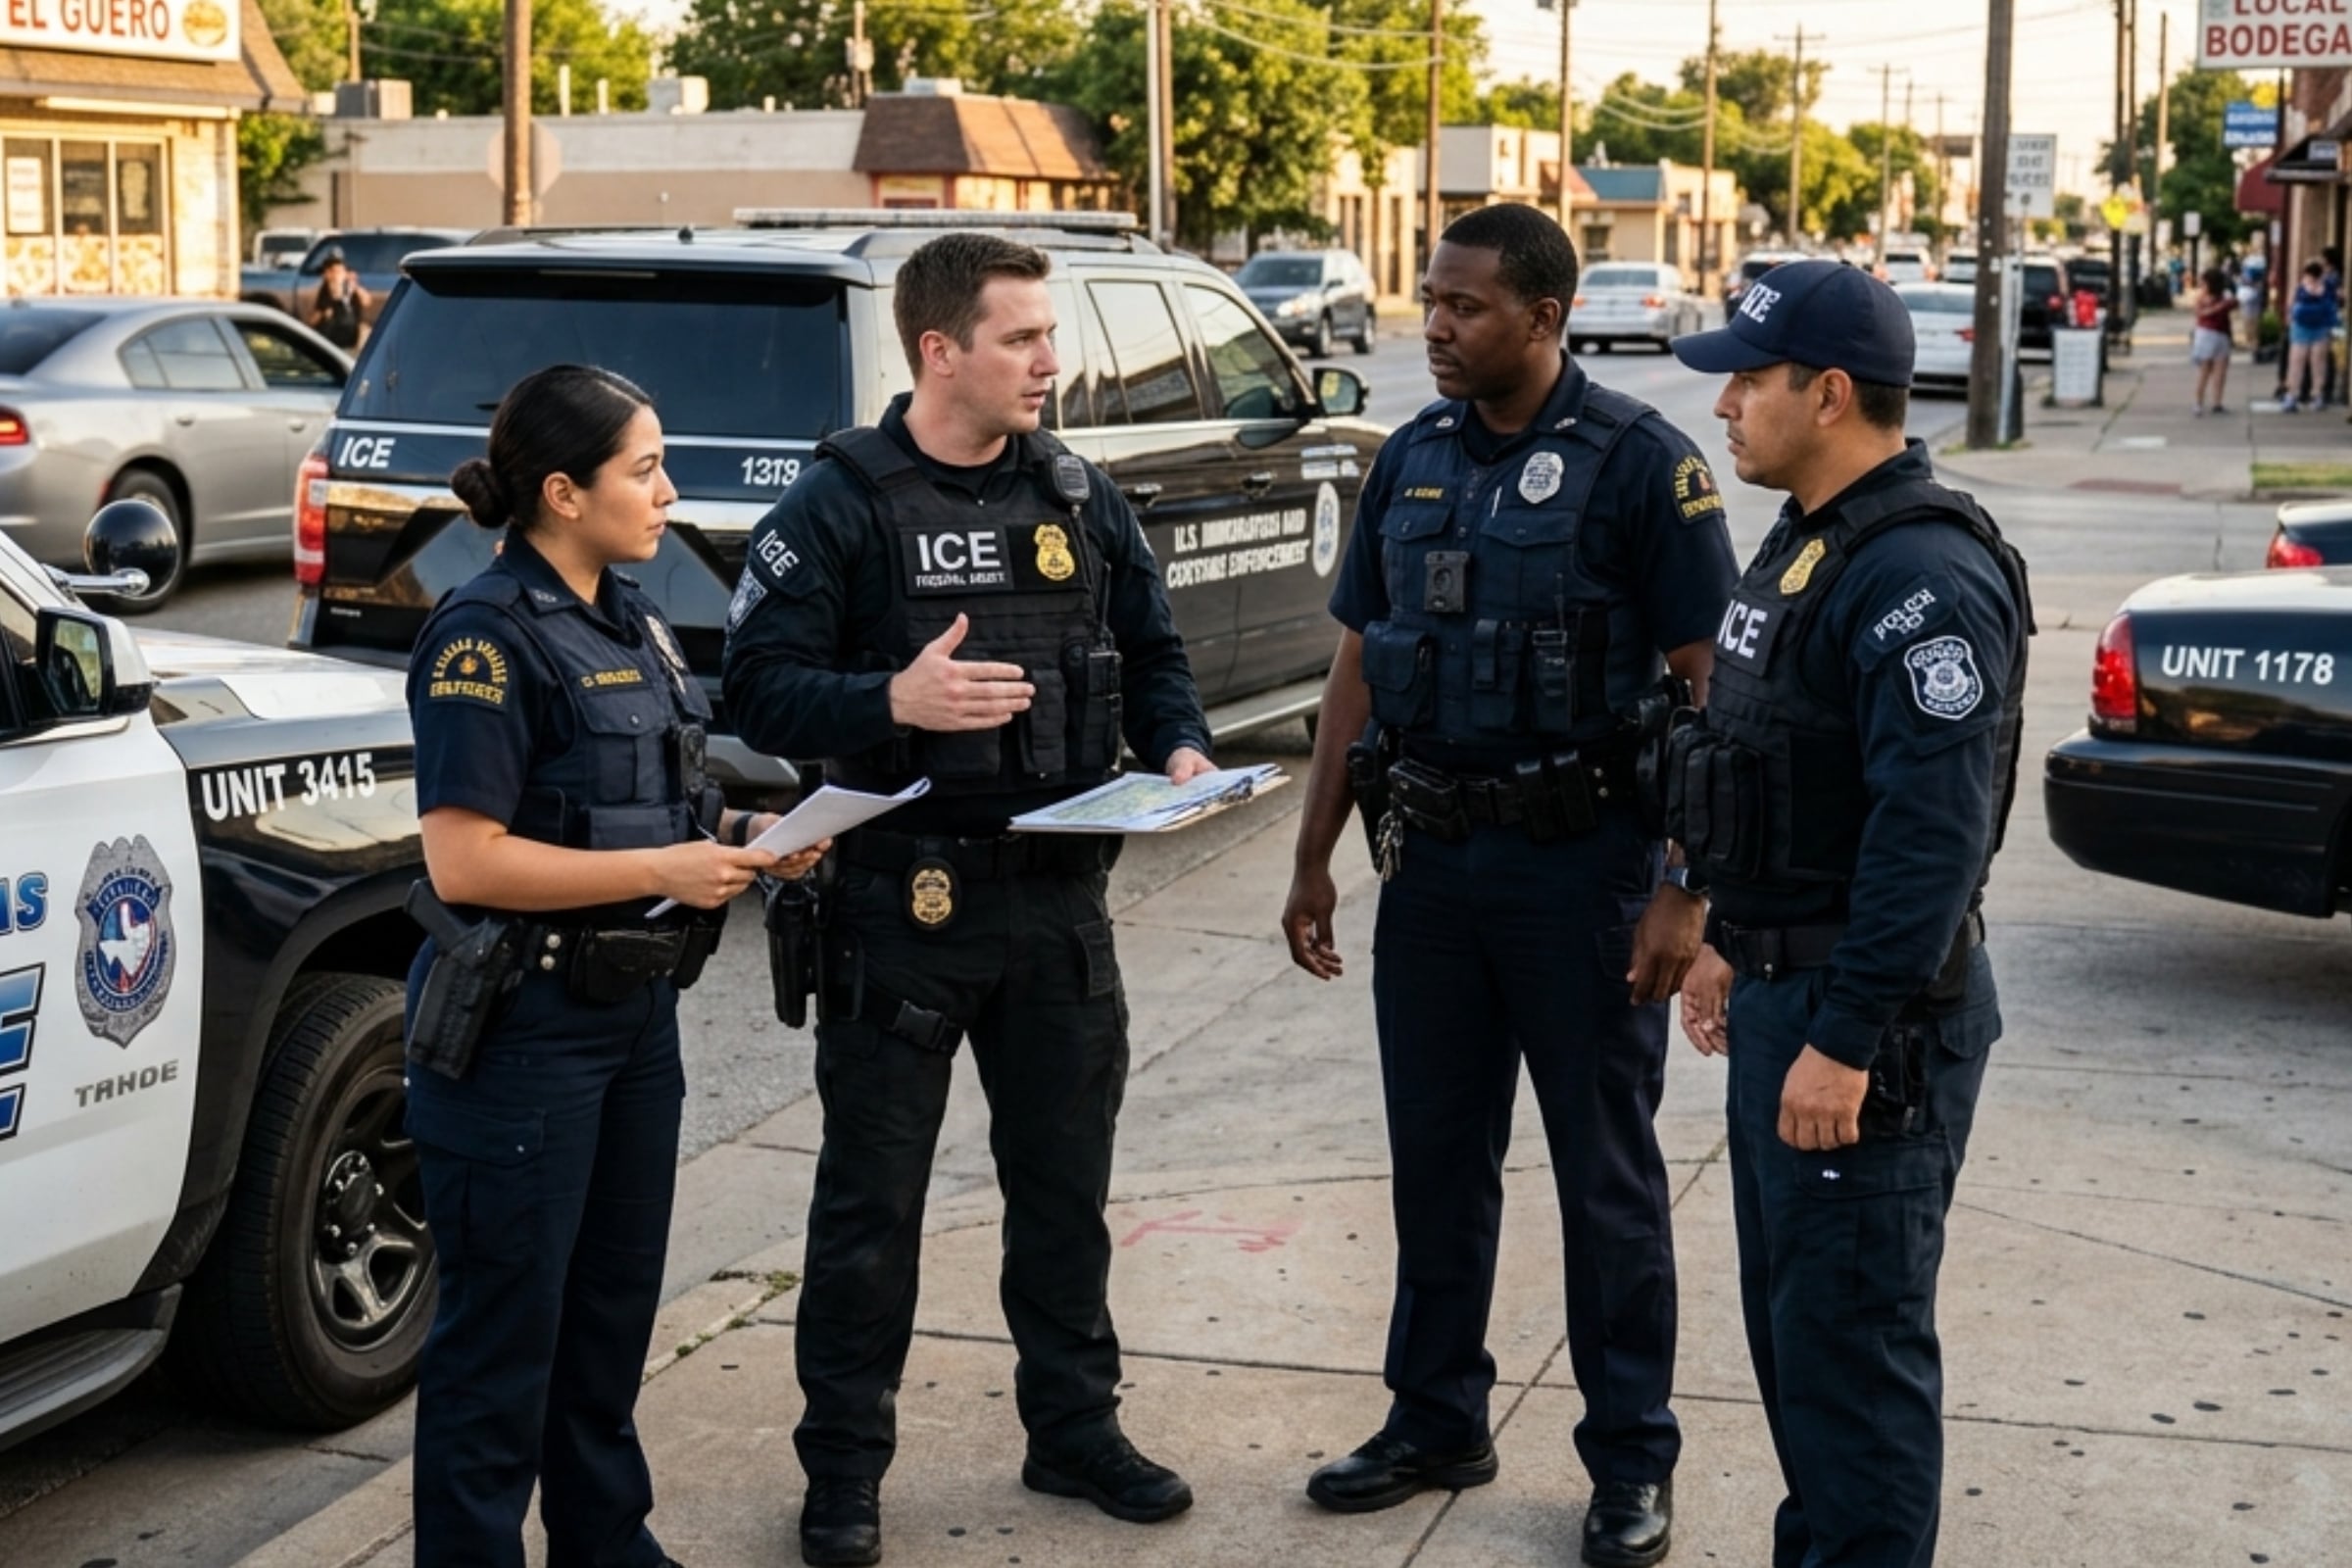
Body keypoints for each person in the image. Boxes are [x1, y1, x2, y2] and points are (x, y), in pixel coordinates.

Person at [720, 232, 1212, 1568]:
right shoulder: (838, 505)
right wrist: (889, 700)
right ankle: (844, 1472)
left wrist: (1179, 753)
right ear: (939, 352)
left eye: (1050, 337)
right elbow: (752, 688)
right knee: (869, 1207)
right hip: (903, 911)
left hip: (1061, 904)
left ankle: (1074, 1431)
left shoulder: (1075, 492)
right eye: (1021, 339)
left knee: (1063, 1192)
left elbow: (1156, 655)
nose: (1052, 360)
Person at [1281, 202, 1739, 1568]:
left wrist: (1685, 891)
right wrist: (1314, 855)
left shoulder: (1643, 467)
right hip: (1431, 868)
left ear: (1544, 317)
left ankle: (1630, 1457)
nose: (1437, 325)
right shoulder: (1411, 458)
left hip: (1585, 871)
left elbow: (1710, 699)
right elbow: (1356, 668)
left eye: (1468, 306)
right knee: (1436, 1163)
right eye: (1432, 299)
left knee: (1605, 1180)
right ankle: (1435, 1419)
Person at [403, 364, 826, 1565]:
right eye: (642, 467)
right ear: (560, 491)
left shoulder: (627, 616)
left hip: (634, 1022)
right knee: (500, 1348)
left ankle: (606, 1544)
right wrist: (681, 867)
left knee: (606, 1324)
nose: (667, 489)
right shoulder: (483, 636)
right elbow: (467, 861)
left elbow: (646, 812)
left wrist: (746, 845)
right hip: (521, 1036)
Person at [1667, 261, 2031, 1568]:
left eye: (1748, 383)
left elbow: (1931, 839)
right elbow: (1777, 764)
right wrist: (1726, 936)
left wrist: (1849, 1033)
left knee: (1854, 1370)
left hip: (1865, 1029)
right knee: (1803, 1352)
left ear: (1827, 394)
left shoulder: (1919, 573)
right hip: (1788, 991)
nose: (1725, 407)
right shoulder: (1814, 539)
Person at [2283, 258, 2339, 412]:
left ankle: (2292, 396)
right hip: (2319, 328)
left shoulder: (2301, 286)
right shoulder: (2327, 286)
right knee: (2318, 364)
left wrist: (2289, 320)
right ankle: (2317, 396)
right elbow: (2334, 303)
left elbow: (2291, 306)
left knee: (2297, 362)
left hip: (2302, 328)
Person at [2191, 267, 2236, 416]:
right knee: (2205, 370)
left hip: (2220, 335)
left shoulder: (2224, 296)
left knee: (2220, 371)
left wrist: (2220, 305)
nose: (2202, 285)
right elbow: (2199, 313)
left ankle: (2217, 402)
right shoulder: (2202, 297)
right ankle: (2198, 402)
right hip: (2207, 334)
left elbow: (2235, 303)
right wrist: (2218, 307)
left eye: (2204, 282)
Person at [308, 246, 368, 351]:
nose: (335, 275)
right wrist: (324, 313)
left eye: (338, 270)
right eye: (330, 270)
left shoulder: (350, 289)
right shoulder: (323, 291)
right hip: (331, 341)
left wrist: (355, 287)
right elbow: (313, 320)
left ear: (345, 272)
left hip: (350, 340)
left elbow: (366, 302)